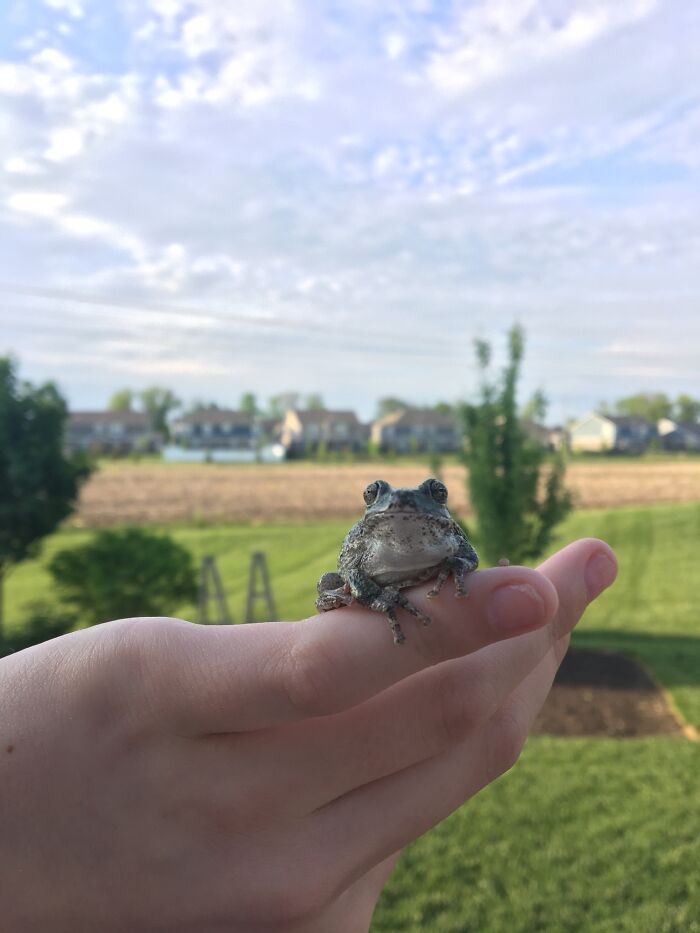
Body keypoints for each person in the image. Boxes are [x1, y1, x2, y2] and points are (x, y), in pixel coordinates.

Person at [0, 537, 616, 932]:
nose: (402, 503)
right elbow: (343, 573)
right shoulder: (368, 540)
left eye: (428, 495)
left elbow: (465, 559)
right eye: (380, 496)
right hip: (369, 587)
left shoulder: (443, 536)